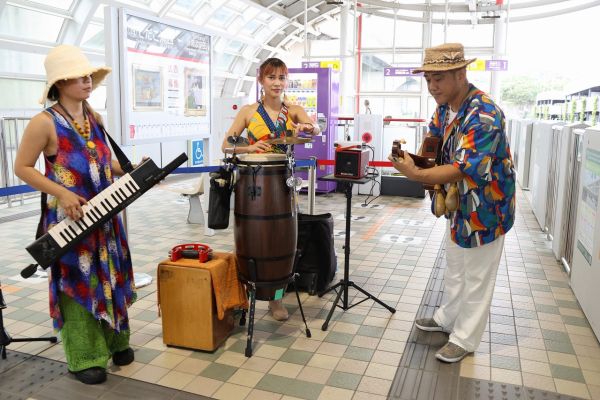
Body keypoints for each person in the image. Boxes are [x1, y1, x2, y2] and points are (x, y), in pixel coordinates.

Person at [14, 45, 136, 384]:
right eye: (79, 76)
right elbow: (22, 167)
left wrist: (130, 169)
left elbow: (103, 163)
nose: (87, 81)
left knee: (110, 274)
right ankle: (84, 357)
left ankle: (115, 341)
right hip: (71, 219)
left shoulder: (94, 118)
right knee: (77, 282)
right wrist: (63, 192)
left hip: (105, 213)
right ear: (59, 83)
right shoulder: (44, 122)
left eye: (88, 76)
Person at [388, 43, 515, 363]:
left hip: (487, 206)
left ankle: (465, 338)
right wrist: (416, 159)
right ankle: (448, 317)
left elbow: (464, 166)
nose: (432, 87)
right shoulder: (445, 107)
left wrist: (415, 173)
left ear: (461, 74)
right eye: (428, 79)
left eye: (439, 78)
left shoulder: (484, 113)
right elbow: (433, 144)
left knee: (477, 274)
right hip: (458, 204)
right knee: (456, 263)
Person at [221, 57, 321, 320]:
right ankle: (247, 295)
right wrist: (249, 148)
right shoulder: (248, 111)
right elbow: (227, 144)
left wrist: (309, 128)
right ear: (261, 81)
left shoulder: (294, 110)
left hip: (282, 182)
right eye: (271, 77)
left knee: (280, 242)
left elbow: (315, 129)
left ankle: (276, 300)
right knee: (252, 240)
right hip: (252, 181)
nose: (277, 83)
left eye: (281, 77)